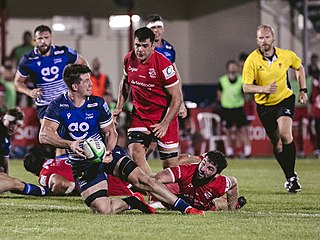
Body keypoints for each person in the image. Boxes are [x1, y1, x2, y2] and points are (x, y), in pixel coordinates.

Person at [39, 63, 203, 215]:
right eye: (86, 81)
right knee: (103, 210)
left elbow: (112, 133)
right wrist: (69, 144)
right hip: (83, 164)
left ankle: (186, 208)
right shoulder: (58, 106)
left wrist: (108, 152)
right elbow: (44, 135)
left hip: (108, 155)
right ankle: (133, 201)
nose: (91, 84)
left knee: (143, 180)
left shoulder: (97, 103)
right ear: (75, 86)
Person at [242, 24, 308, 193]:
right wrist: (263, 89)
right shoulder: (252, 60)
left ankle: (292, 178)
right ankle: (289, 176)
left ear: (273, 38)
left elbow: (299, 67)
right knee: (277, 144)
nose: (264, 41)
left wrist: (302, 90)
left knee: (286, 134)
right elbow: (246, 87)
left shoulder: (285, 55)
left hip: (284, 99)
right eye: (261, 38)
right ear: (257, 40)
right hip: (264, 106)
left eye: (267, 37)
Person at [113, 27, 183, 175]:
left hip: (164, 117)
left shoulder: (164, 65)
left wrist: (164, 124)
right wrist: (119, 107)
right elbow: (125, 83)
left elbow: (177, 97)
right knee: (135, 152)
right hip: (140, 116)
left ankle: (195, 160)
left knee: (170, 166)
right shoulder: (128, 60)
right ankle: (152, 188)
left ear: (153, 46)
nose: (140, 50)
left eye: (145, 46)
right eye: (137, 45)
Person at [14, 25, 88, 125]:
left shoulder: (63, 52)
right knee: (47, 135)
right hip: (45, 104)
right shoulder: (28, 59)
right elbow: (17, 83)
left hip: (65, 101)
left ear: (51, 38)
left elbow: (83, 64)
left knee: (71, 133)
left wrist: (77, 84)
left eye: (46, 37)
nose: (43, 41)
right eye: (40, 38)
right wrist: (29, 92)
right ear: (34, 40)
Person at [154, 150, 247, 211]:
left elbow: (233, 182)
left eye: (210, 168)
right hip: (181, 197)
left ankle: (237, 204)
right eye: (203, 164)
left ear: (217, 174)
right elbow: (155, 180)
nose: (202, 169)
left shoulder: (219, 183)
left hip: (203, 204)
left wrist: (232, 210)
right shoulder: (186, 170)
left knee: (214, 206)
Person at [146, 14, 187, 119]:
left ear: (163, 29)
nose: (156, 31)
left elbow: (176, 76)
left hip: (167, 98)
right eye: (153, 28)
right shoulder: (144, 50)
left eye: (159, 27)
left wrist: (180, 102)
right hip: (151, 99)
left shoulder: (169, 49)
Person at [217, 60, 251, 158]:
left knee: (243, 130)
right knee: (228, 131)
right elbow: (219, 95)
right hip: (226, 108)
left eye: (234, 66)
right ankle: (229, 152)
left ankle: (247, 151)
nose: (232, 68)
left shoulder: (241, 80)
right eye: (231, 66)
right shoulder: (222, 80)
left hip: (238, 108)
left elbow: (246, 93)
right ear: (227, 68)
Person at [0, 107, 24, 174]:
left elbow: (5, 162)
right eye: (11, 122)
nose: (14, 127)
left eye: (18, 125)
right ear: (4, 119)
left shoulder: (6, 138)